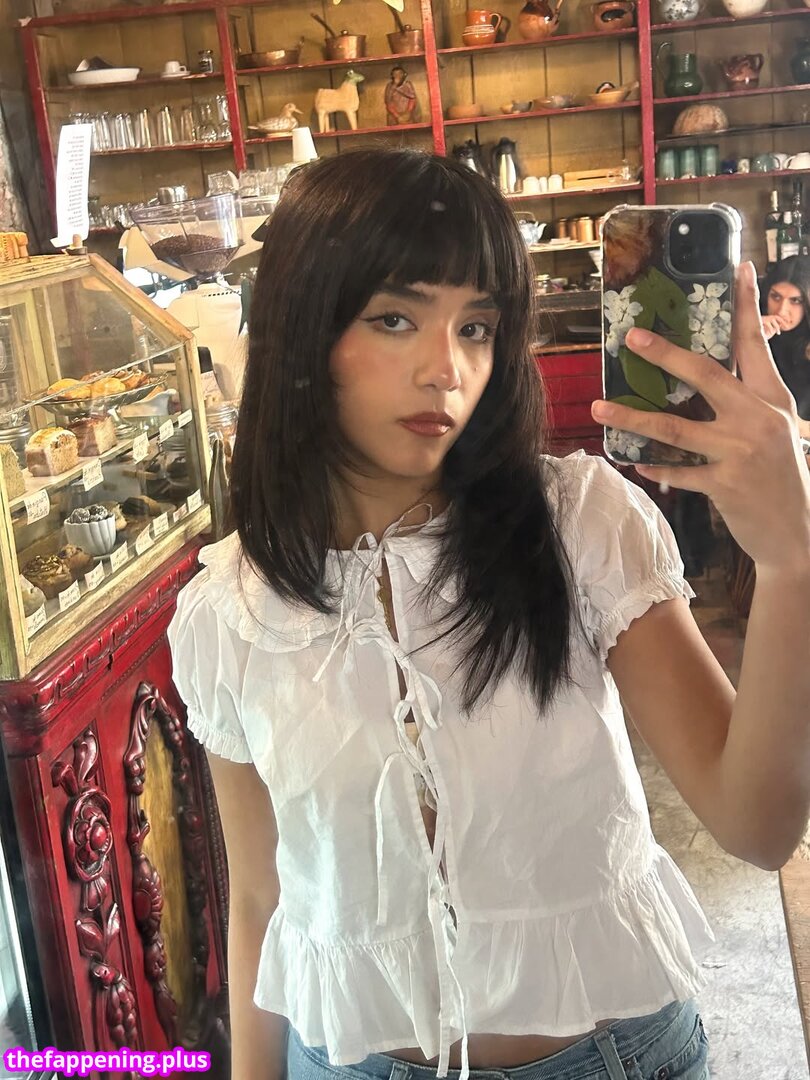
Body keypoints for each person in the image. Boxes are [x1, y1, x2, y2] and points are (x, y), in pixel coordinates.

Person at [166, 149, 810, 1080]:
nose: (448, 370)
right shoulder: (230, 611)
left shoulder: (579, 525)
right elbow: (264, 899)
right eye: (395, 318)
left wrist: (790, 563)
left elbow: (759, 825)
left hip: (606, 1057)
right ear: (300, 330)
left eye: (476, 327)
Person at [760, 255, 810, 436]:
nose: (782, 311)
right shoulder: (754, 324)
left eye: (796, 301)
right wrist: (754, 337)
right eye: (776, 296)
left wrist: (799, 427)